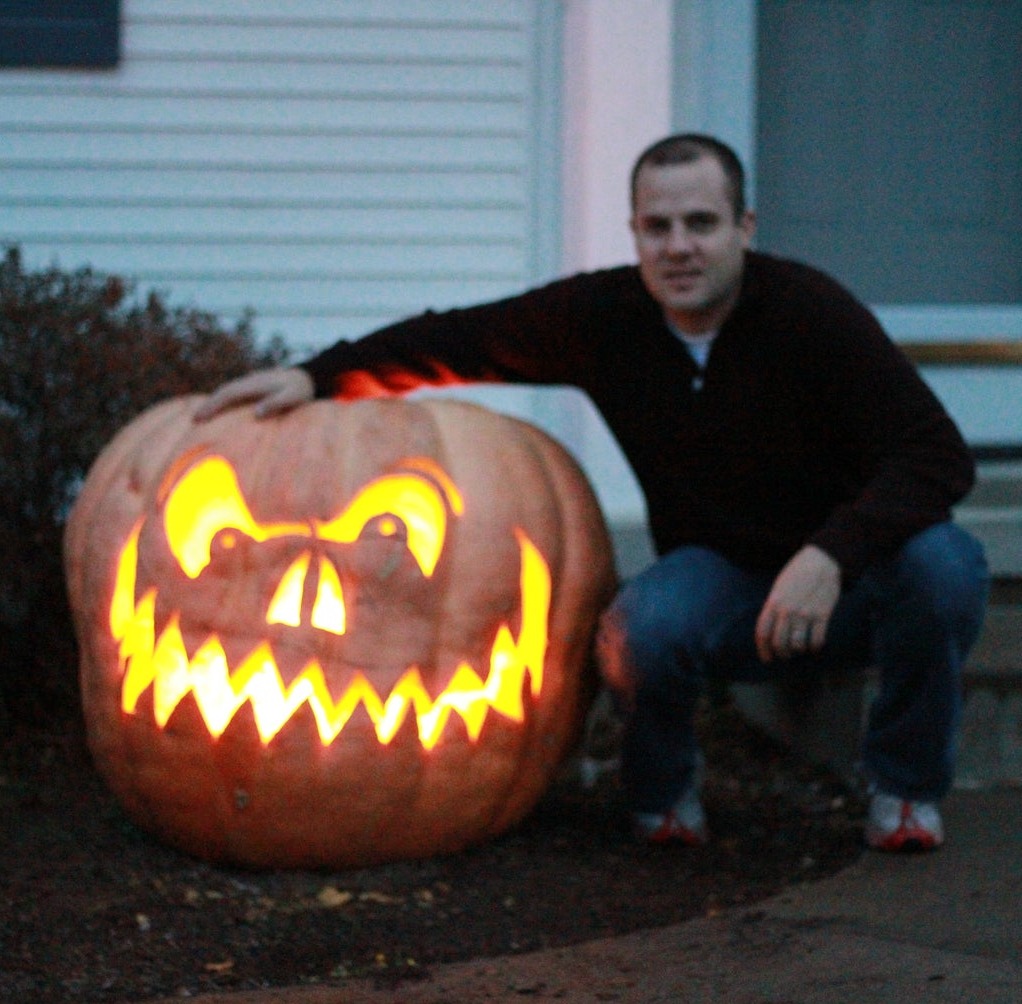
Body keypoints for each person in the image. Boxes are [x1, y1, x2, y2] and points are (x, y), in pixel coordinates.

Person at [197, 133, 989, 853]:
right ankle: (663, 799)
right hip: (726, 583)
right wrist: (316, 374)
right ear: (636, 233)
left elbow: (938, 456)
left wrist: (830, 554)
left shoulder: (809, 313)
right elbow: (454, 338)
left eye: (701, 223)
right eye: (657, 227)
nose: (679, 246)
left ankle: (905, 792)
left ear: (745, 228)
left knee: (943, 563)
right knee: (636, 626)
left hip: (849, 588)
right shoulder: (605, 317)